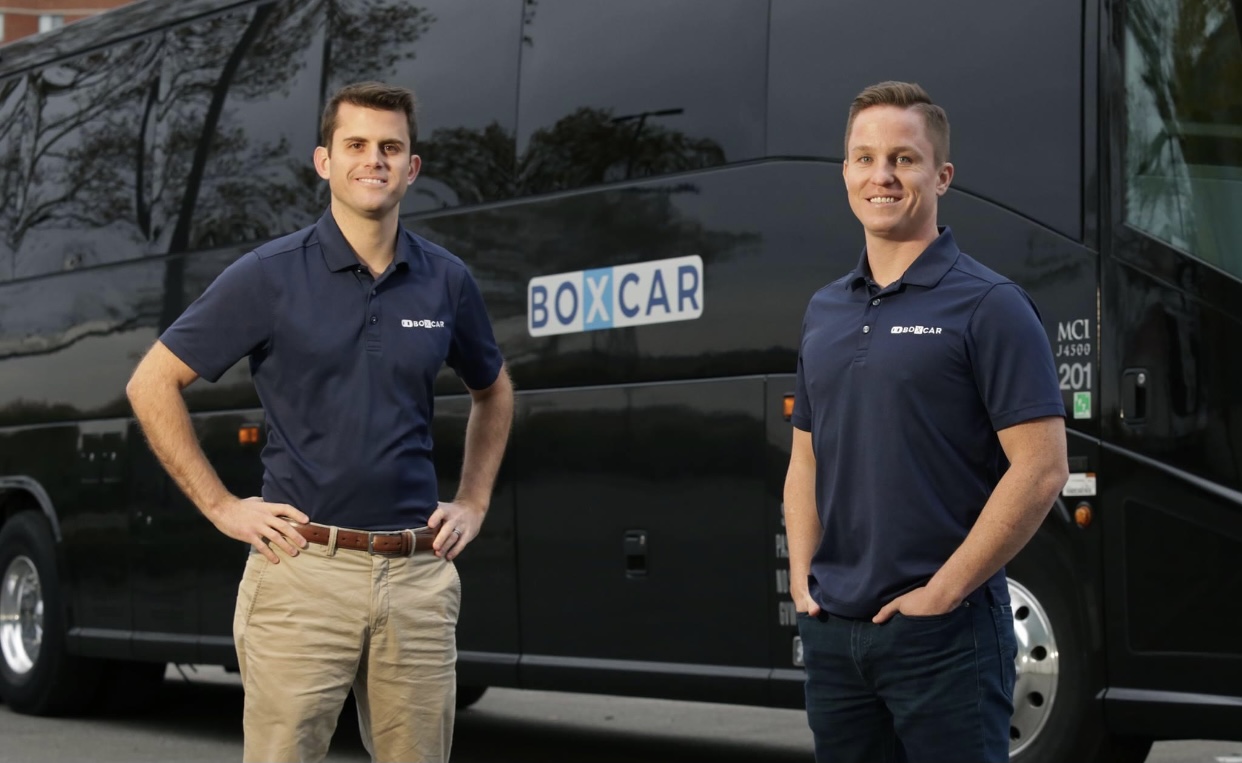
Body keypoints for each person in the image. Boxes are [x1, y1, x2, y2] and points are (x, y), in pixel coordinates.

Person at [126, 81, 514, 763]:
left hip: (417, 578)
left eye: (391, 147)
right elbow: (152, 382)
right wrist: (222, 507)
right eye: (356, 144)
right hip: (302, 571)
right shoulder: (269, 276)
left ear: (412, 167)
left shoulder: (447, 281)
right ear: (324, 162)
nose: (376, 159)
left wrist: (475, 500)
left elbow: (495, 391)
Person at [784, 80, 1068, 763]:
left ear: (941, 175)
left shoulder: (991, 304)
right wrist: (802, 582)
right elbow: (805, 460)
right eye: (865, 157)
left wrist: (942, 592)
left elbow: (1041, 467)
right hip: (835, 635)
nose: (881, 175)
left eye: (904, 159)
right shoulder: (824, 310)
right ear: (845, 172)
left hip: (946, 636)